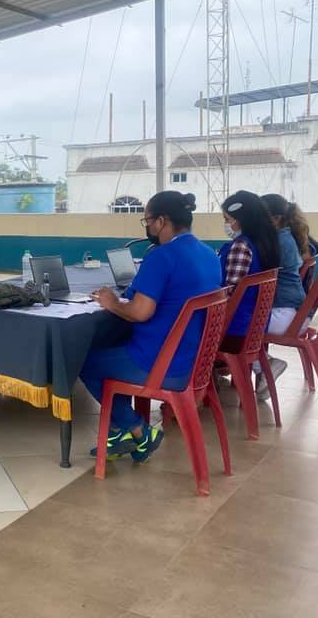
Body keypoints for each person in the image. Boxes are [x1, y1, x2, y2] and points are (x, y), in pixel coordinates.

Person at [84, 191, 221, 463]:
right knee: (111, 350)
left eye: (147, 221)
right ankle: (119, 434)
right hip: (194, 360)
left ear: (161, 221)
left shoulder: (162, 256)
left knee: (85, 361)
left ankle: (137, 429)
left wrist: (111, 302)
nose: (147, 227)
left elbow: (140, 312)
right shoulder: (209, 254)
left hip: (160, 364)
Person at [257, 193, 309, 396]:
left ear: (275, 219)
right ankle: (262, 372)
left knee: (230, 327)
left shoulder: (278, 242)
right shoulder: (286, 238)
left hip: (285, 316)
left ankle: (265, 365)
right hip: (295, 313)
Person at [218, 191, 280, 349]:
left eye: (227, 219)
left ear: (241, 220)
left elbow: (229, 293)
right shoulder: (266, 244)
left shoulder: (241, 247)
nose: (226, 224)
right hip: (256, 329)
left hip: (234, 331)